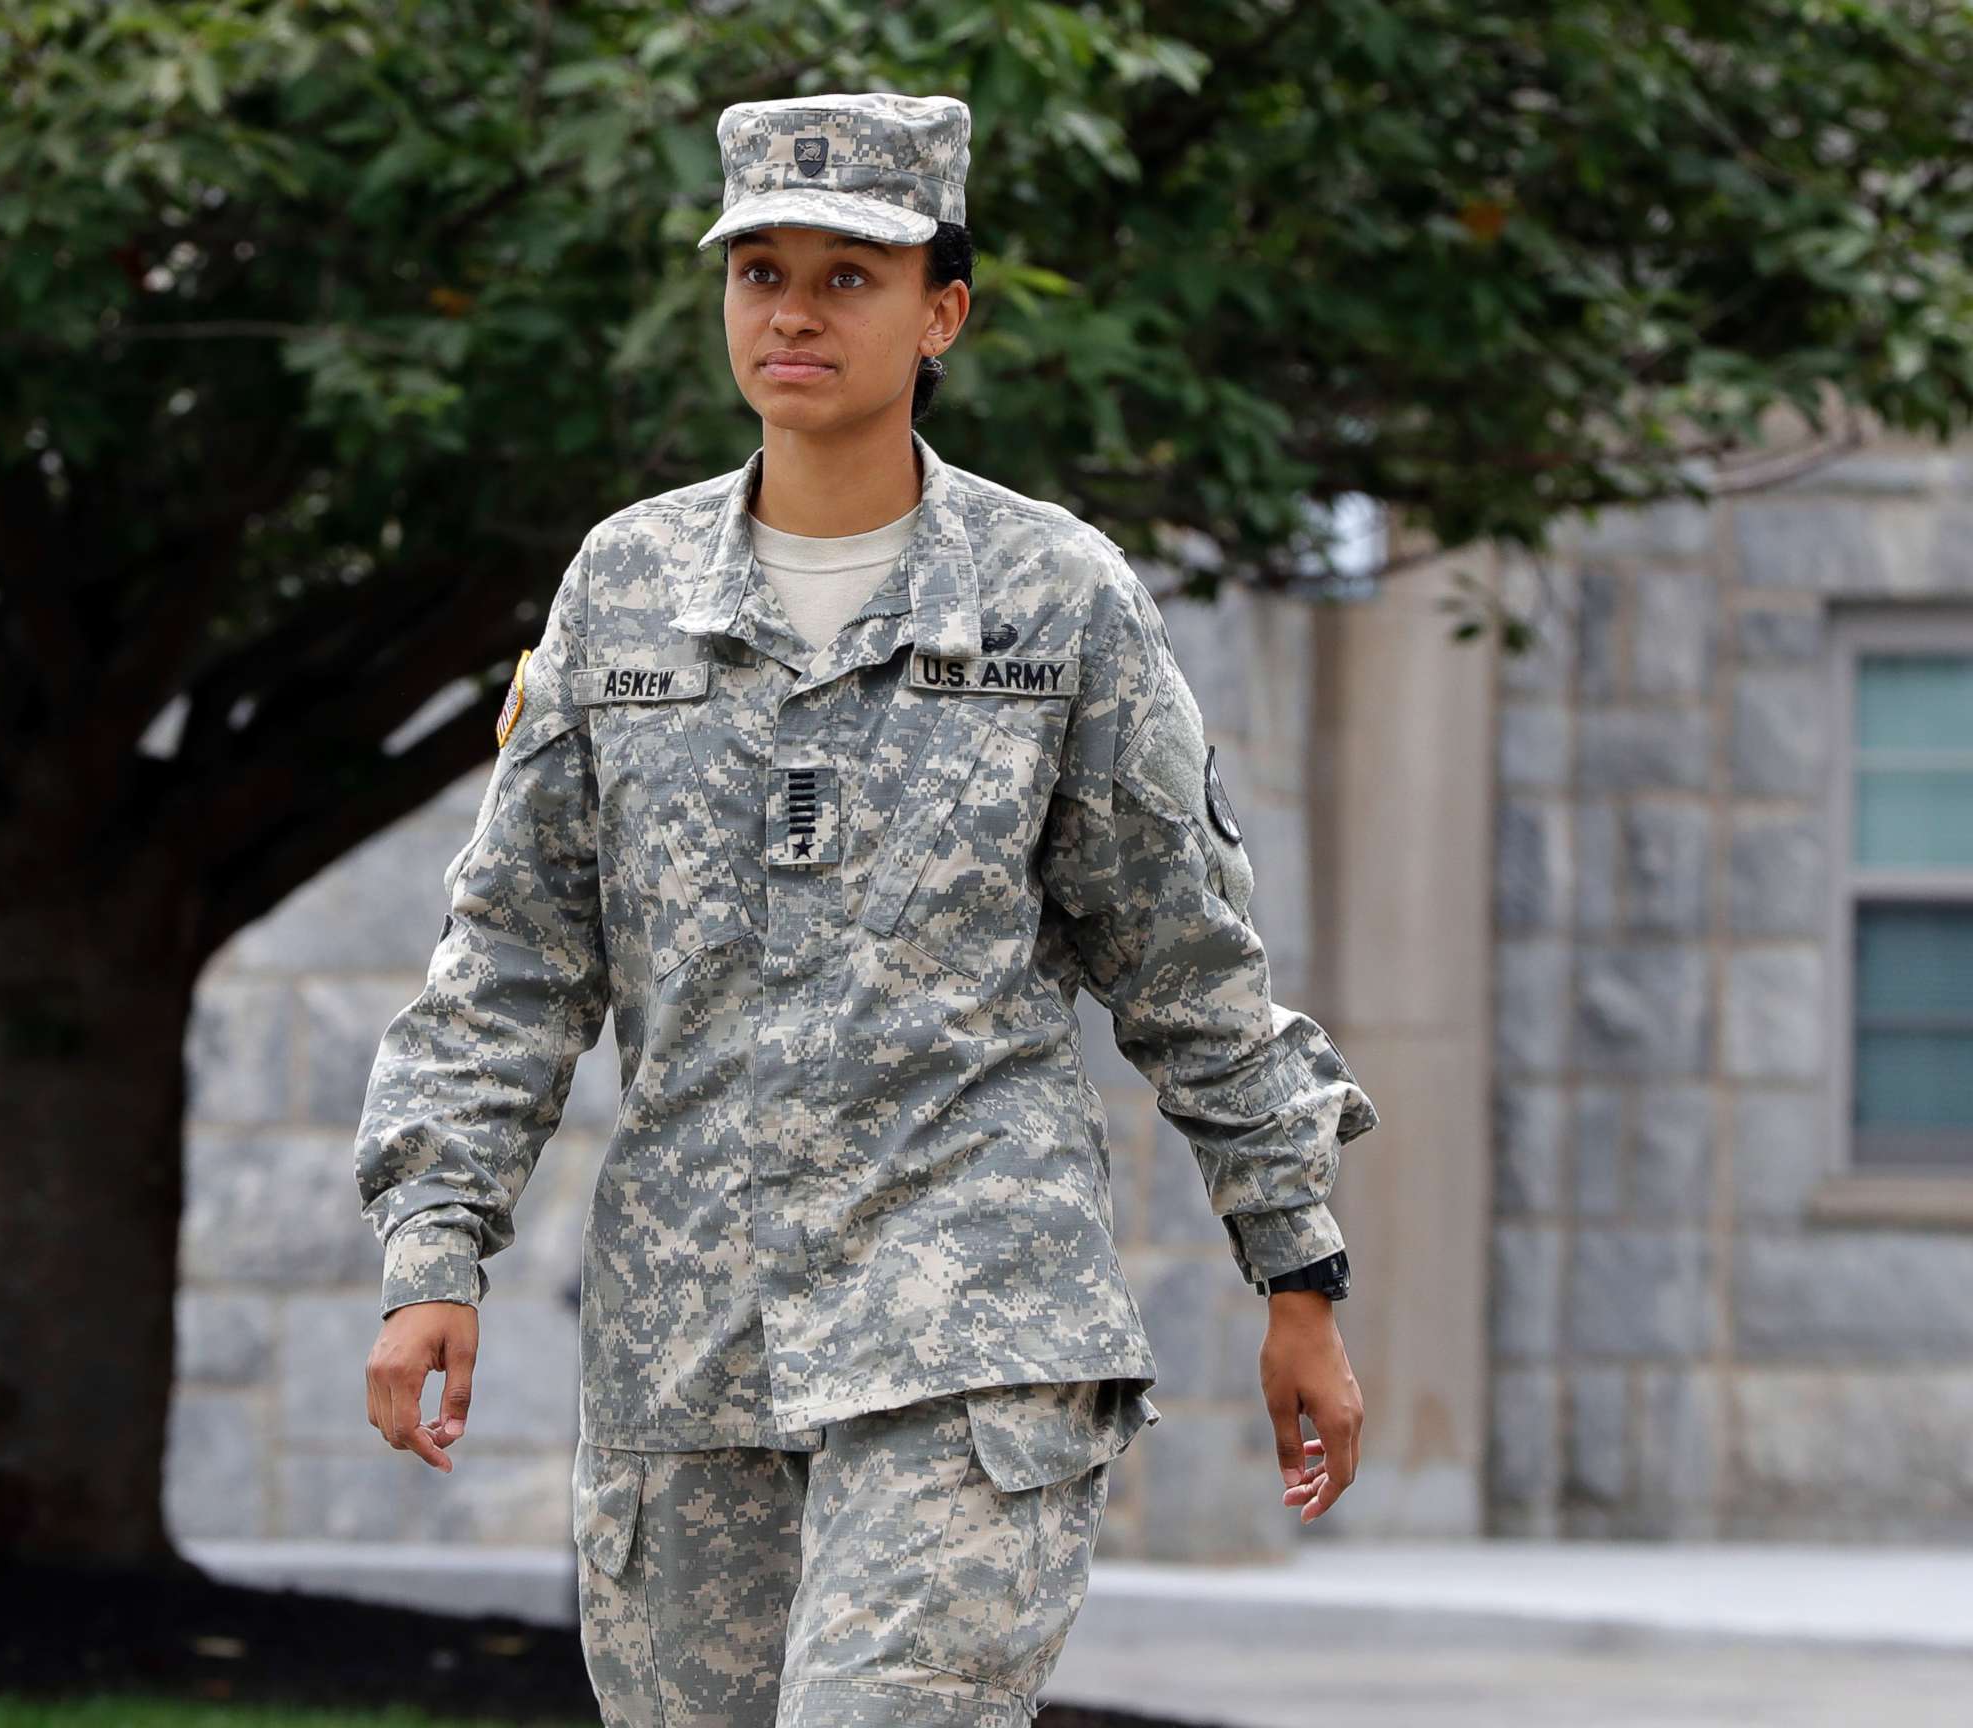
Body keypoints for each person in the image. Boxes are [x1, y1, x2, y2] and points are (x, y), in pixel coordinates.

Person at [353, 90, 1377, 1728]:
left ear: (942, 311)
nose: (795, 314)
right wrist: (434, 1252)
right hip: (690, 1347)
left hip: (972, 1327)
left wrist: (1298, 1272)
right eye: (761, 271)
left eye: (850, 276)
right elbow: (514, 965)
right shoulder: (624, 589)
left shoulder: (1057, 599)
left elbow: (1188, 962)